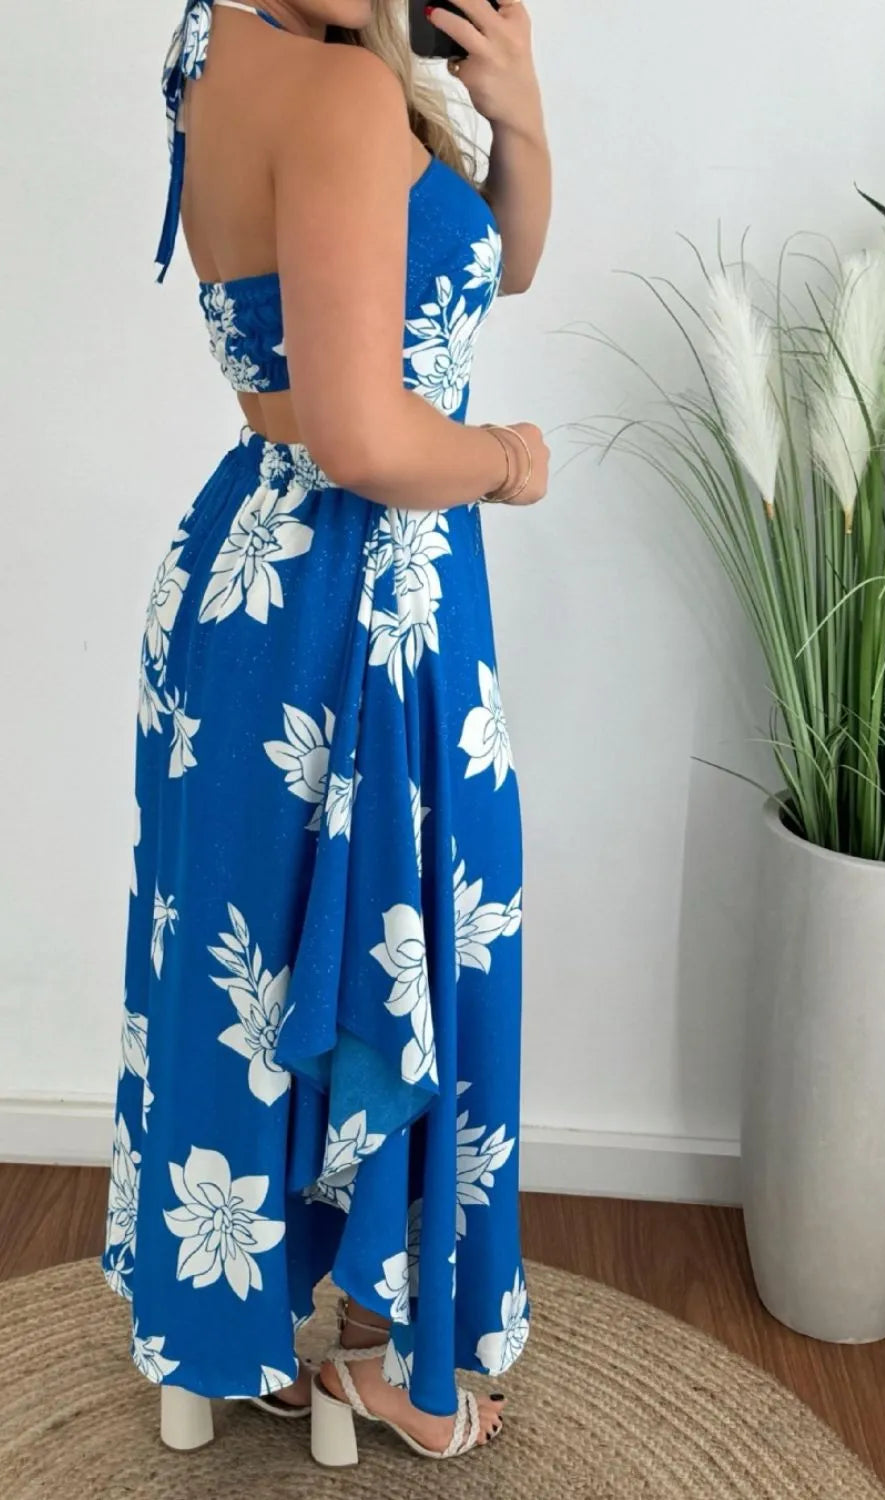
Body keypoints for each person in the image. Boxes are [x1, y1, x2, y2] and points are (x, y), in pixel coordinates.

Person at [102, 0, 551, 1466]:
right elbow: (365, 437)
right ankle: (389, 1359)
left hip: (244, 586)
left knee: (247, 975)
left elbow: (495, 266)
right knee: (414, 938)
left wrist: (516, 105)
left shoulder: (216, 50)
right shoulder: (347, 96)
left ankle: (209, 1333)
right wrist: (511, 461)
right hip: (369, 598)